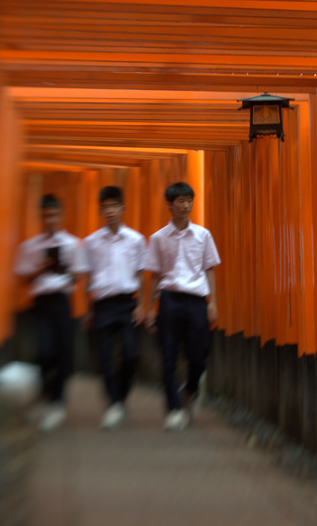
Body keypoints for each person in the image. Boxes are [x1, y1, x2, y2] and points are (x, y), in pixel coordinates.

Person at [145, 181, 221, 431]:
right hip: (169, 299)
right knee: (168, 356)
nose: (186, 205)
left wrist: (213, 302)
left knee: (198, 356)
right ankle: (174, 409)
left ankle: (190, 389)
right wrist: (148, 308)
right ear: (170, 205)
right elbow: (154, 275)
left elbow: (210, 268)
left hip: (197, 301)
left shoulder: (203, 235)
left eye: (189, 200)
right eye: (181, 201)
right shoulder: (158, 238)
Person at [14, 193, 89, 432]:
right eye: (46, 215)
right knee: (45, 350)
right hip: (41, 302)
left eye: (55, 214)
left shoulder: (72, 244)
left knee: (63, 352)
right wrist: (41, 268)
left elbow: (80, 275)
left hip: (62, 302)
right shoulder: (30, 246)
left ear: (62, 215)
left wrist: (65, 270)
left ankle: (57, 400)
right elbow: (22, 278)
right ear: (41, 216)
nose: (51, 219)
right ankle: (46, 392)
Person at [82, 185, 147, 430]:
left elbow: (142, 274)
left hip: (127, 302)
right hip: (102, 304)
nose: (110, 211)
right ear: (100, 210)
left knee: (132, 355)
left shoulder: (136, 240)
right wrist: (88, 311)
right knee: (105, 357)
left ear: (123, 208)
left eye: (114, 206)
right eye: (105, 207)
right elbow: (88, 279)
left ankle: (119, 395)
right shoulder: (91, 242)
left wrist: (141, 305)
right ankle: (114, 403)